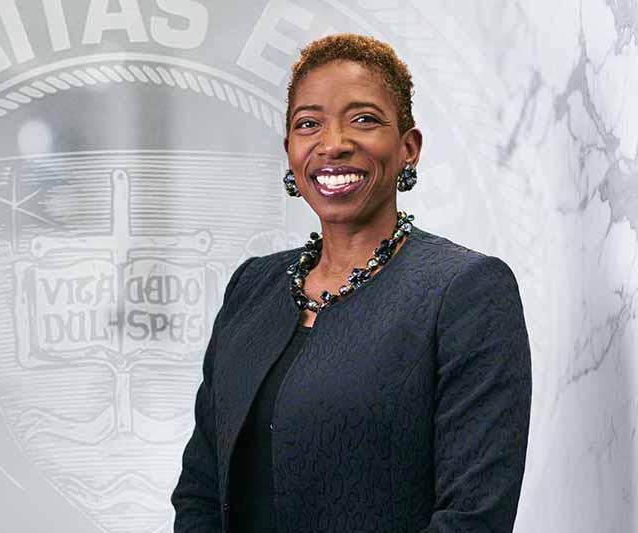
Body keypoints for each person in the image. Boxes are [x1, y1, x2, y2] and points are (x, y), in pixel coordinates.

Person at [170, 33, 532, 533]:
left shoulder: (464, 290)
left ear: (409, 147)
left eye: (364, 119)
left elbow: (474, 517)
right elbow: (200, 491)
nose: (333, 143)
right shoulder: (252, 288)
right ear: (290, 151)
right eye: (308, 124)